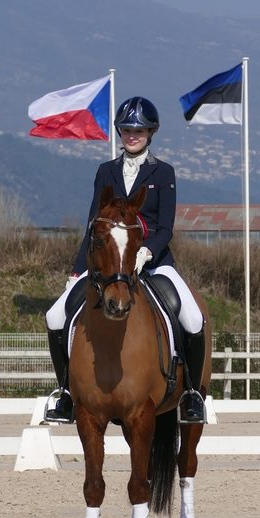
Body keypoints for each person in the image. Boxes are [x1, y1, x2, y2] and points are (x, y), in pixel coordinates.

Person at [44, 96, 206, 424]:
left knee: (192, 318)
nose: (133, 135)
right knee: (54, 317)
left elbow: (165, 226)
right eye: (127, 129)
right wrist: (78, 270)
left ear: (151, 132)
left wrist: (146, 253)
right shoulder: (106, 171)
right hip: (108, 264)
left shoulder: (163, 172)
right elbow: (95, 227)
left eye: (139, 130)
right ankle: (65, 393)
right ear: (119, 132)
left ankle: (191, 394)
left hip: (154, 261)